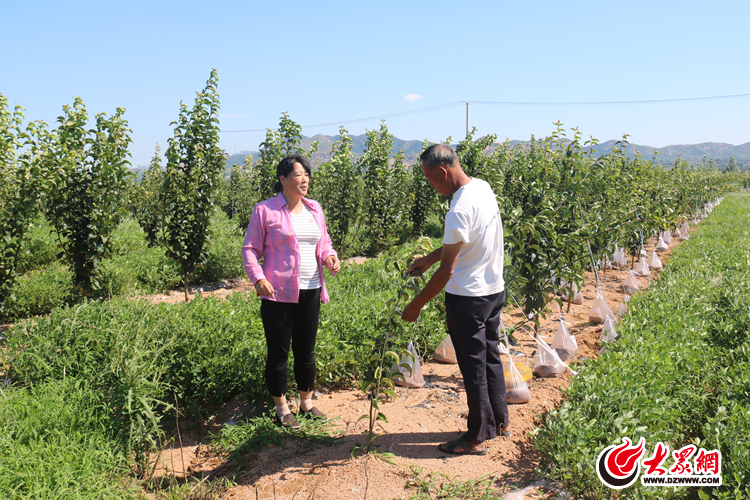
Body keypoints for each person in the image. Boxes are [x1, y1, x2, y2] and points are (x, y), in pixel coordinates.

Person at [402, 144, 509, 455]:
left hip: (468, 299)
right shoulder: (482, 188)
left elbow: (448, 271)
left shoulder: (458, 209)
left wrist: (416, 305)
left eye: (431, 180)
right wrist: (429, 258)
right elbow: (461, 245)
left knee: (473, 367)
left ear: (444, 172)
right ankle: (499, 423)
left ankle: (475, 437)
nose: (431, 185)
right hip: (492, 291)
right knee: (490, 358)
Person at [242, 154, 341, 429]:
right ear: (283, 179)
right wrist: (258, 278)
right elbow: (250, 249)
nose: (305, 179)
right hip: (278, 293)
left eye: (307, 174)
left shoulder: (314, 209)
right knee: (279, 352)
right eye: (298, 174)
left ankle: (306, 403)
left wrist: (330, 256)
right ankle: (282, 408)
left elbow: (324, 243)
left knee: (306, 350)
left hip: (311, 288)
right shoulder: (265, 210)